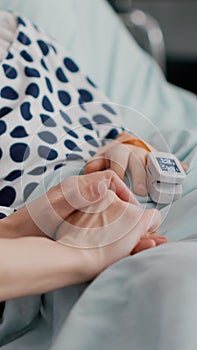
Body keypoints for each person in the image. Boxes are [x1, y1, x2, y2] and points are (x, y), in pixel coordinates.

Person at [0, 11, 172, 302]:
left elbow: (110, 127)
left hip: (143, 196)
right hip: (57, 273)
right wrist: (78, 252)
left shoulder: (18, 37)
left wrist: (130, 146)